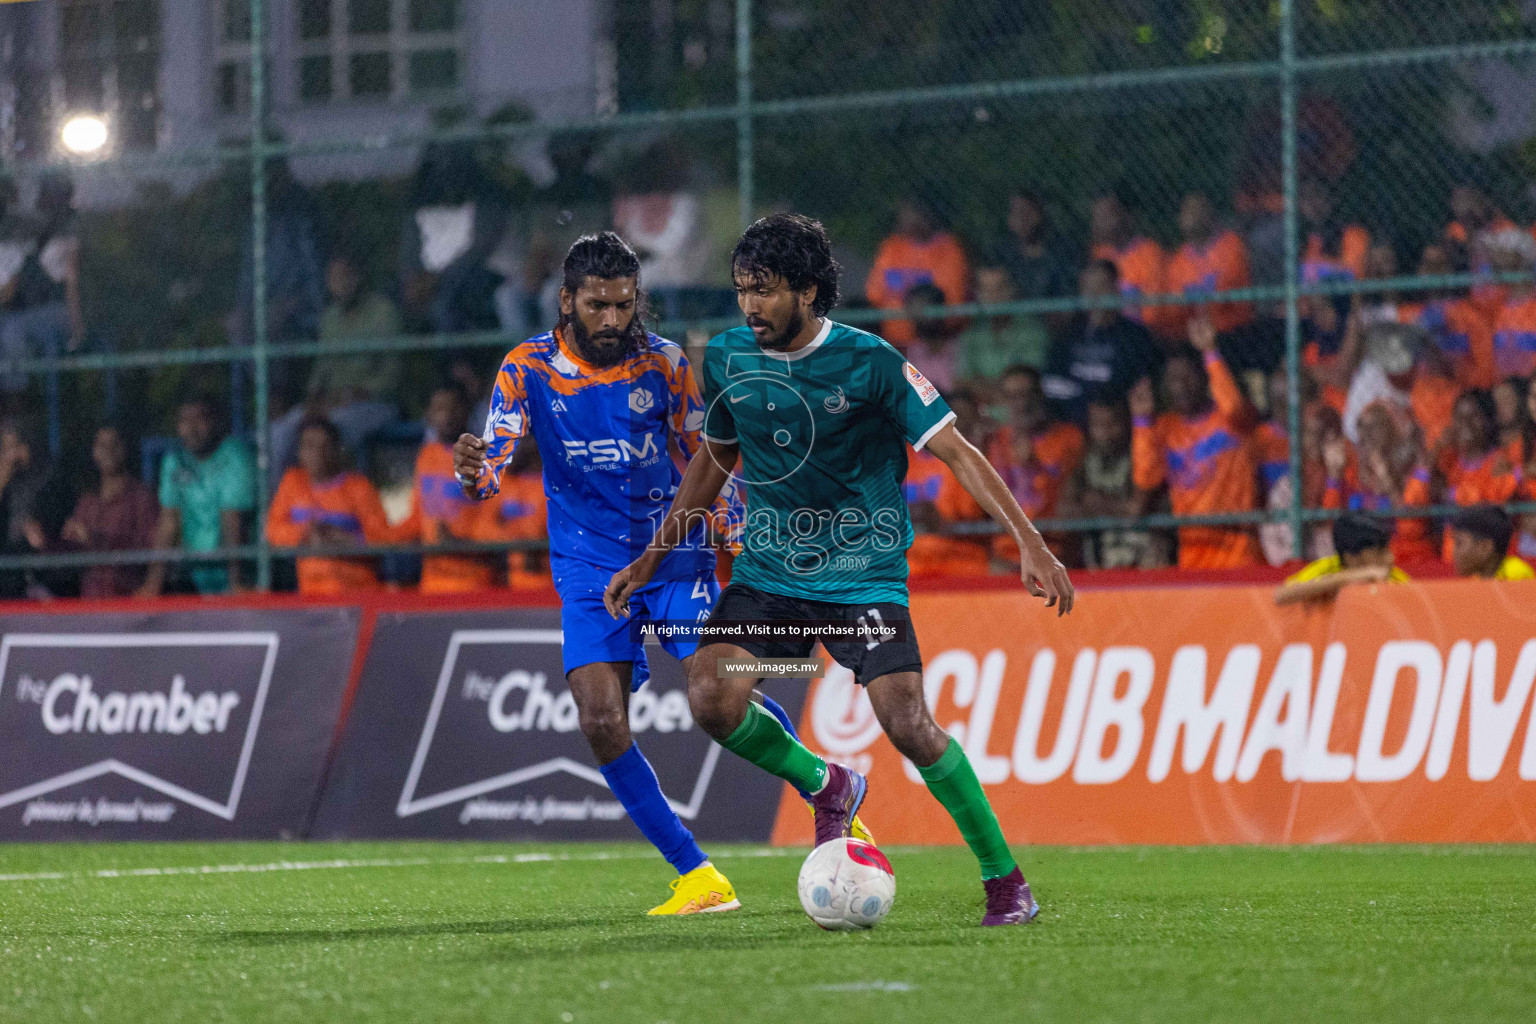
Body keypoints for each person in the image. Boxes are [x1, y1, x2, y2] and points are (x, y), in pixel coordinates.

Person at [605, 213, 1073, 926]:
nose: (749, 307)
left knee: (909, 724)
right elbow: (716, 458)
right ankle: (829, 787)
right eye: (741, 291)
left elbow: (958, 452)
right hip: (770, 576)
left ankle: (1005, 881)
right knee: (712, 694)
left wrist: (1030, 542)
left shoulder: (873, 364)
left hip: (862, 577)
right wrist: (652, 556)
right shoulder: (727, 357)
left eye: (763, 291)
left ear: (808, 290)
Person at [452, 231, 825, 916]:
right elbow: (492, 463)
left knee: (720, 693)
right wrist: (473, 470)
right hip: (588, 568)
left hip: (674, 556)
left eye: (625, 305)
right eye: (597, 306)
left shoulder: (666, 364)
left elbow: (707, 459)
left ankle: (824, 789)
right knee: (599, 719)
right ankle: (697, 876)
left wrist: (739, 533)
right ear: (567, 301)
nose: (612, 321)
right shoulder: (526, 367)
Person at [1130, 316, 1261, 569]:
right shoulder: (1166, 428)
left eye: (1187, 377)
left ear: (1204, 379)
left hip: (1239, 551)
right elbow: (1146, 478)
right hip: (1191, 553)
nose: (1180, 387)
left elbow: (1234, 407)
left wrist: (1211, 354)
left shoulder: (1230, 420)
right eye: (1172, 380)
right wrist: (1142, 423)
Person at [268, 249, 404, 486]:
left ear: (358, 277)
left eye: (344, 275)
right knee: (280, 432)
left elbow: (393, 374)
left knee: (332, 433)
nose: (338, 283)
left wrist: (357, 393)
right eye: (332, 278)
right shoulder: (329, 317)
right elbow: (321, 368)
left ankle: (343, 503)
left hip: (374, 403)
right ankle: (285, 503)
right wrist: (313, 398)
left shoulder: (383, 312)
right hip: (331, 404)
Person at [142, 396, 256, 596]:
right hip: (193, 575)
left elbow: (232, 520)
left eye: (199, 419)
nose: (192, 429)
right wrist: (152, 584)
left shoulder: (234, 455)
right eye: (184, 421)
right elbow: (169, 521)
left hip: (236, 574)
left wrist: (236, 583)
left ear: (215, 422)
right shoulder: (174, 460)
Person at [265, 416, 393, 595]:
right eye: (309, 445)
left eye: (325, 446)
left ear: (337, 450)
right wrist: (307, 533)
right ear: (300, 451)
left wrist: (344, 540)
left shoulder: (358, 487)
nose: (317, 453)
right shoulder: (292, 482)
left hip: (358, 594)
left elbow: (382, 539)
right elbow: (273, 530)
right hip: (311, 595)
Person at [395, 385, 500, 593]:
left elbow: (496, 524)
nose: (446, 416)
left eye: (453, 408)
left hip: (473, 583)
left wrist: (459, 540)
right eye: (439, 409)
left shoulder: (486, 459)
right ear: (429, 415)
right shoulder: (426, 456)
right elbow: (418, 515)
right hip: (431, 583)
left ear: (466, 412)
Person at [1041, 260, 1162, 426]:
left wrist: (1080, 391)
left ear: (1116, 290)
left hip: (1116, 423)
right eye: (1087, 288)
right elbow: (1051, 382)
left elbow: (1132, 387)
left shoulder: (1135, 336)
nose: (1094, 295)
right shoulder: (1068, 334)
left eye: (1101, 287)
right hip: (1069, 422)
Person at [1058, 399, 1169, 570]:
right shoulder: (1082, 464)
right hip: (1098, 564)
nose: (1105, 432)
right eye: (1098, 425)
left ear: (1125, 423)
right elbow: (1065, 511)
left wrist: (1097, 504)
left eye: (1112, 423)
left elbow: (1137, 509)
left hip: (1143, 561)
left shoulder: (1143, 457)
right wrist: (1119, 508)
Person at [60, 424, 159, 598]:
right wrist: (45, 543)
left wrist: (95, 540)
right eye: (101, 445)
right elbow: (69, 559)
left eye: (115, 444)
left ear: (126, 449)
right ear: (93, 452)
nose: (108, 450)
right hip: (89, 607)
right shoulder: (87, 502)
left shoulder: (141, 498)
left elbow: (150, 553)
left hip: (128, 604)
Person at [864, 196, 969, 347]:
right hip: (891, 342)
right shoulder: (892, 247)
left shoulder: (949, 249)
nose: (905, 218)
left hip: (934, 343)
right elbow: (874, 295)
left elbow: (951, 302)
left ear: (928, 215)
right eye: (904, 213)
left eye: (912, 212)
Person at [1162, 192, 1253, 342]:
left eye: (1196, 210)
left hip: (1231, 331)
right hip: (1192, 335)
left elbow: (1225, 295)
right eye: (1186, 211)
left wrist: (1192, 297)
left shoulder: (1231, 244)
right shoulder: (1178, 260)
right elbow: (1174, 307)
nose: (1189, 216)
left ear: (1210, 215)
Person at [0, 417, 73, 598]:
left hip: (42, 571)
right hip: (8, 569)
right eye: (7, 449)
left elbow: (55, 527)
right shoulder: (7, 482)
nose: (13, 455)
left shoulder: (49, 478)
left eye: (18, 445)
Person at [1274, 512, 1408, 606]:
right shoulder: (1329, 567)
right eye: (1379, 552)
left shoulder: (1394, 576)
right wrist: (1351, 578)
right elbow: (1281, 595)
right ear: (1351, 558)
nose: (1390, 558)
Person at [955, 263, 1049, 389]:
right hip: (981, 403)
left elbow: (1028, 382)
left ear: (1012, 289)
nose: (993, 296)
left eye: (999, 288)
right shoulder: (972, 333)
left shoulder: (1033, 331)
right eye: (986, 290)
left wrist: (983, 384)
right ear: (977, 294)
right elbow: (962, 381)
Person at [1089, 192, 1165, 331]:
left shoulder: (1150, 253)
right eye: (1096, 217)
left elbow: (1154, 311)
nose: (1099, 223)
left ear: (1127, 216)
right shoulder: (1097, 254)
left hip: (1140, 333)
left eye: (1106, 216)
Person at [1448, 504, 1535, 580]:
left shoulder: (1515, 575)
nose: (1453, 552)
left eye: (1459, 543)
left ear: (1485, 547)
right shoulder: (1478, 580)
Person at [901, 282, 961, 392]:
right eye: (916, 310)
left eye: (925, 308)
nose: (922, 318)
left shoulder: (958, 347)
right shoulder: (909, 352)